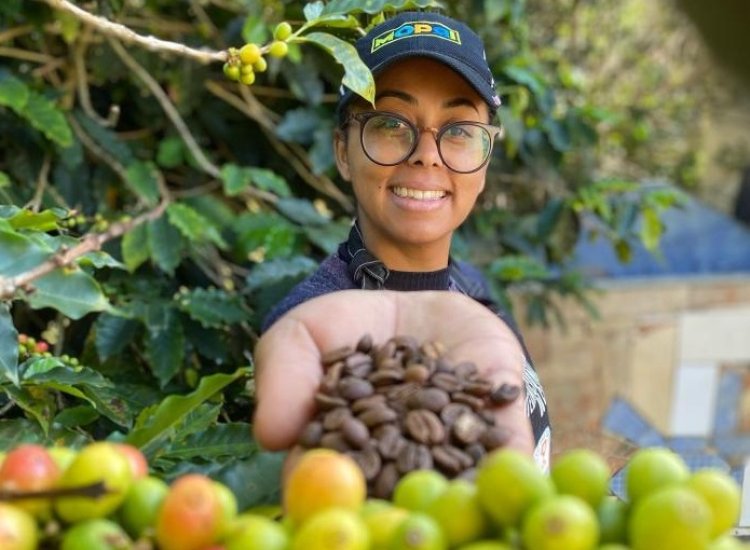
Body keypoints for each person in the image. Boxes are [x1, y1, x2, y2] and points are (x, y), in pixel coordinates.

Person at [252, 10, 551, 470]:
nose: (427, 157)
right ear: (343, 152)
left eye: (459, 132)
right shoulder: (316, 330)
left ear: (486, 155)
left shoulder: (473, 291)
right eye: (390, 124)